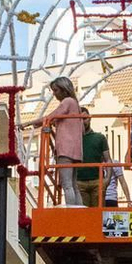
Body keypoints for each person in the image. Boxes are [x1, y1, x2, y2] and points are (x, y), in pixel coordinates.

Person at [41, 76, 83, 205]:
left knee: (67, 185)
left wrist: (28, 123)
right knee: (74, 185)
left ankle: (71, 212)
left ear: (64, 89)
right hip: (76, 151)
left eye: (56, 90)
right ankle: (79, 210)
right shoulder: (77, 106)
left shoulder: (67, 102)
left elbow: (50, 117)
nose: (54, 94)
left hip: (65, 149)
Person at [77, 110, 108, 207]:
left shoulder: (100, 137)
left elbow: (108, 159)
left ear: (90, 118)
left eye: (85, 118)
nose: (82, 121)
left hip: (97, 181)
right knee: (83, 216)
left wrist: (107, 180)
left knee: (99, 215)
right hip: (79, 181)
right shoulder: (74, 138)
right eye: (79, 119)